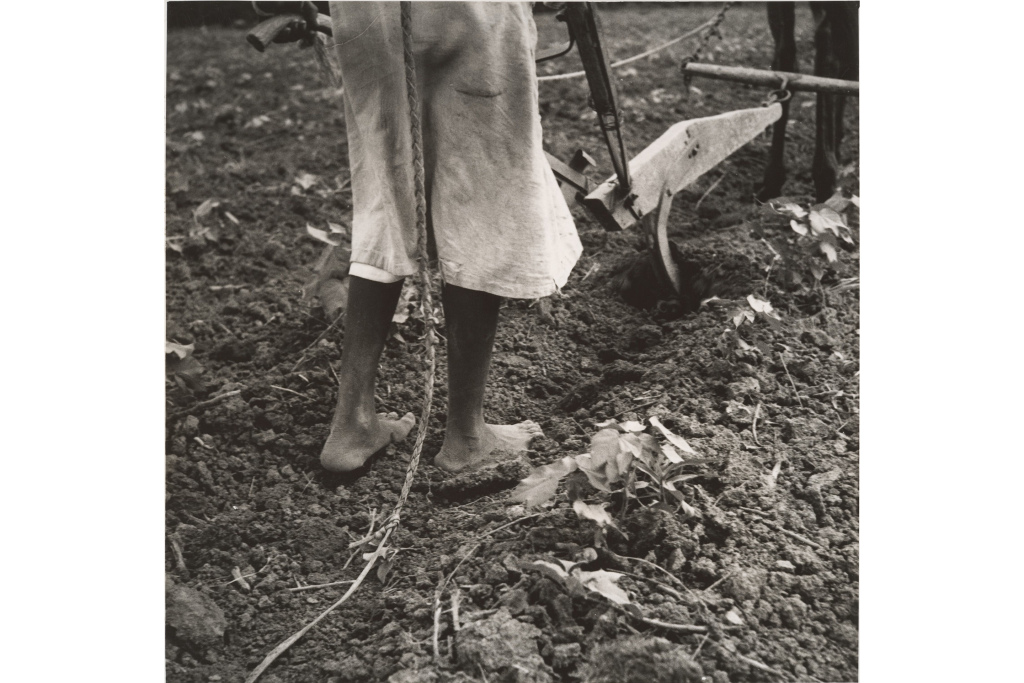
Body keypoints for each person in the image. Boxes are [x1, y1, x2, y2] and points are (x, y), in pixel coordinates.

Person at [264, 1, 583, 473]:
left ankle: (351, 422)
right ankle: (468, 437)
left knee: (384, 205)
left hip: (368, 14)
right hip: (470, 11)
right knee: (481, 202)